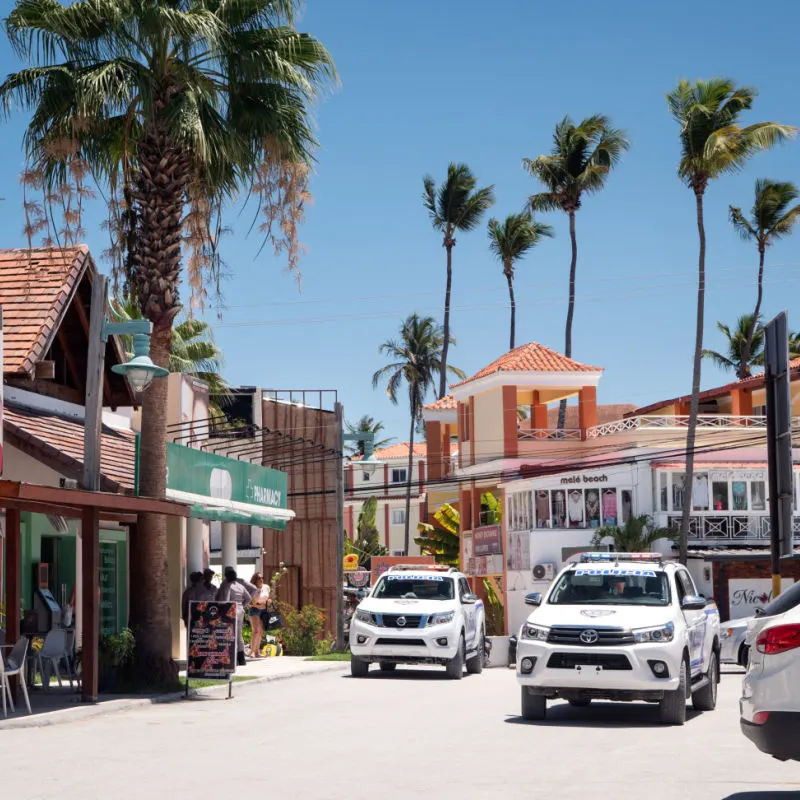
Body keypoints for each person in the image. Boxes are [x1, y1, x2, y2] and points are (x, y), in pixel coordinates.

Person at [216, 567, 257, 665]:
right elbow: (249, 598)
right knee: (239, 635)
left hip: (230, 611)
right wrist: (242, 606)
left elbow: (224, 599)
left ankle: (231, 658)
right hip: (240, 611)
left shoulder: (226, 585)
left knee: (228, 634)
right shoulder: (240, 585)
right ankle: (241, 659)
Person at [247, 573, 271, 659]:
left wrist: (268, 601)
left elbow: (266, 597)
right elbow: (249, 602)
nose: (261, 579)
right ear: (255, 580)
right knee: (256, 630)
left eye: (262, 578)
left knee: (260, 631)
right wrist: (256, 605)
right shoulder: (252, 589)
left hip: (264, 610)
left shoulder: (266, 587)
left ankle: (257, 651)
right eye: (259, 578)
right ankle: (252, 652)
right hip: (254, 609)